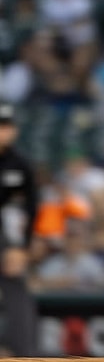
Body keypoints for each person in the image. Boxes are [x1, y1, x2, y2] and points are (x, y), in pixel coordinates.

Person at [0, 102, 39, 356]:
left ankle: (24, 355)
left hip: (5, 235)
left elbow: (30, 208)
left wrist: (21, 247)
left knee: (18, 291)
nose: (2, 131)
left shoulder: (20, 164)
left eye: (6, 126)